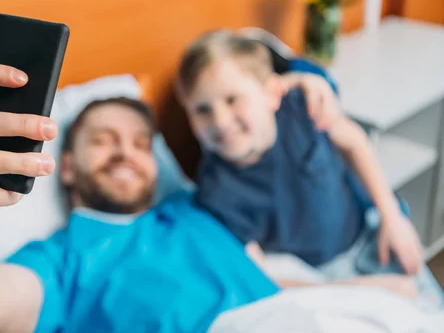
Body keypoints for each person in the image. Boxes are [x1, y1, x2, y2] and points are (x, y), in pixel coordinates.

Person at [0, 63, 415, 333]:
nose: (127, 154)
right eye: (104, 140)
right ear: (65, 166)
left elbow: (265, 279)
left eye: (141, 145)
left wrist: (365, 287)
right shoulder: (66, 257)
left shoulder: (201, 209)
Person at [176, 29, 443, 307]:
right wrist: (365, 289)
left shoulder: (302, 108)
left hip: (370, 231)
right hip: (322, 279)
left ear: (272, 93)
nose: (219, 121)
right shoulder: (214, 192)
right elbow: (261, 274)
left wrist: (392, 217)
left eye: (232, 100)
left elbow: (353, 142)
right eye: (202, 110)